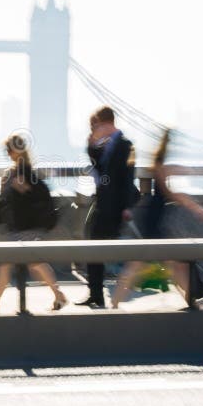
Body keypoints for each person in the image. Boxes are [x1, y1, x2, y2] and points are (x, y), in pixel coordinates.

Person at [110, 129, 203, 309]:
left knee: (172, 265)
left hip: (154, 224)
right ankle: (194, 298)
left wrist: (202, 174)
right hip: (154, 226)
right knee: (148, 265)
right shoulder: (161, 168)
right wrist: (200, 211)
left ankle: (193, 299)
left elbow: (182, 173)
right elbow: (173, 191)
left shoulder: (159, 166)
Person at [0, 134, 67, 312]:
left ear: (15, 151)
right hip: (23, 227)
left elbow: (30, 196)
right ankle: (59, 296)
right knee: (34, 264)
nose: (7, 153)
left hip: (27, 228)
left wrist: (24, 189)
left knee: (10, 264)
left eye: (8, 150)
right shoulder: (19, 171)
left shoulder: (23, 172)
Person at [76, 106, 139, 308]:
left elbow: (128, 178)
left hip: (115, 207)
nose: (93, 129)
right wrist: (91, 145)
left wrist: (127, 206)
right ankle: (96, 293)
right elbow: (99, 166)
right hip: (102, 203)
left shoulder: (125, 145)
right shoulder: (107, 145)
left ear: (105, 123)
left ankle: (98, 294)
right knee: (93, 246)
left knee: (99, 248)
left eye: (95, 125)